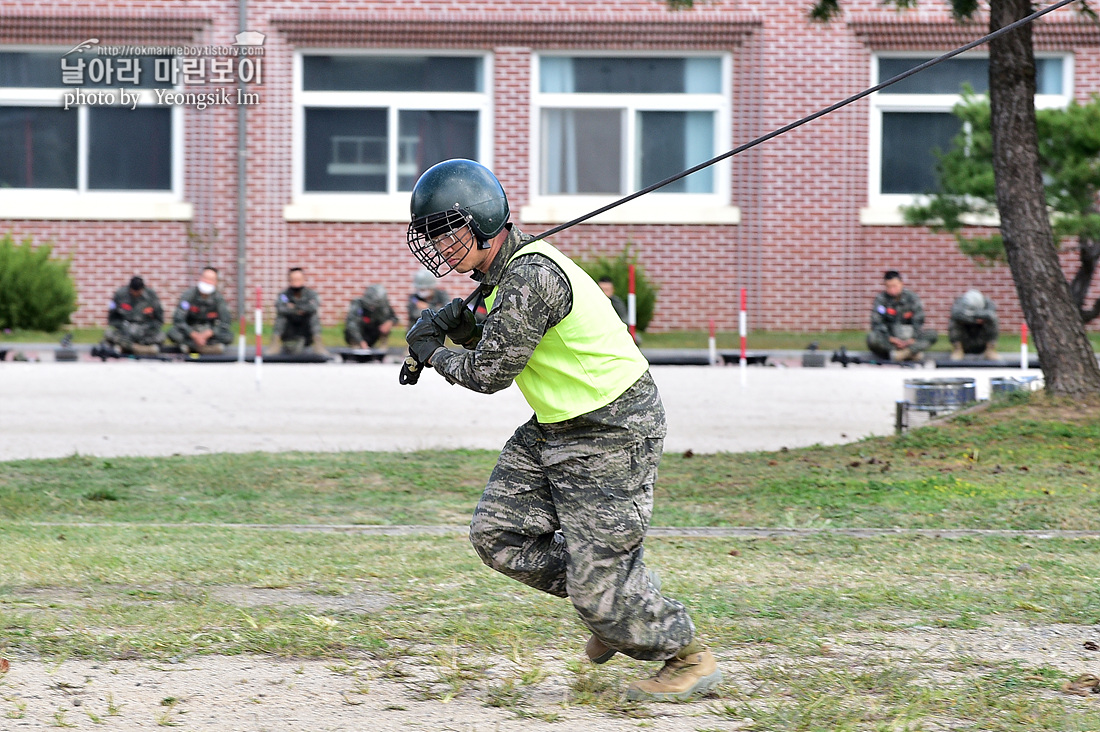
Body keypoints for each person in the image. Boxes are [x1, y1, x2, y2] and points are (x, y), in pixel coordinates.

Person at [402, 159, 720, 702]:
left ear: (482, 222)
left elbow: (489, 373)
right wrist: (468, 322)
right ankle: (613, 606)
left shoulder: (529, 276)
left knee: (602, 592)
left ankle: (684, 653)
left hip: (613, 428)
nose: (442, 246)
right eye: (431, 235)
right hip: (555, 425)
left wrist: (435, 353)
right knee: (496, 535)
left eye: (449, 230)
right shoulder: (503, 277)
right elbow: (509, 333)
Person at [867, 270, 937, 362]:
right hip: (890, 341)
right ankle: (911, 354)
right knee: (872, 338)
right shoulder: (881, 300)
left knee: (932, 334)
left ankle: (904, 354)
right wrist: (891, 339)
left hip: (910, 340)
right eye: (889, 287)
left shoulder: (912, 298)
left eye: (895, 286)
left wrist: (912, 339)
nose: (892, 290)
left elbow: (919, 320)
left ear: (901, 283)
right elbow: (877, 322)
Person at [167, 266, 233, 355]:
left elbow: (225, 322)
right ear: (200, 278)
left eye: (211, 279)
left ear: (216, 282)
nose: (207, 282)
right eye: (205, 278)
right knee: (173, 333)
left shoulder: (218, 299)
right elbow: (178, 319)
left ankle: (191, 348)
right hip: (190, 331)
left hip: (209, 332)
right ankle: (207, 349)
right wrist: (193, 334)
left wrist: (208, 334)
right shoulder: (189, 295)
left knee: (228, 336)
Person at [102, 276, 165, 356]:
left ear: (143, 289)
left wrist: (148, 329)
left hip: (145, 330)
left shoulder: (152, 296)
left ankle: (125, 348)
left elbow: (159, 319)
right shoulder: (120, 294)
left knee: (161, 336)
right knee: (108, 333)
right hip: (125, 331)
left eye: (138, 292)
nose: (135, 294)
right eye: (133, 292)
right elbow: (112, 318)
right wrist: (123, 327)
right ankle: (143, 349)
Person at [273, 267, 324, 355]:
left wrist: (294, 307)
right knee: (281, 317)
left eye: (298, 279)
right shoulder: (284, 295)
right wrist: (298, 310)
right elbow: (281, 308)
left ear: (303, 279)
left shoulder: (311, 294)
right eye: (293, 280)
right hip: (289, 329)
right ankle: (274, 344)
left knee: (313, 315)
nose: (296, 282)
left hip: (306, 328)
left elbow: (314, 307)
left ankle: (318, 344)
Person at [949, 289, 999, 360]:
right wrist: (975, 320)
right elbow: (955, 314)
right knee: (955, 321)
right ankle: (958, 350)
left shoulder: (988, 303)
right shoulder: (959, 302)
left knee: (993, 320)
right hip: (965, 339)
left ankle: (990, 350)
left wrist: (970, 315)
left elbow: (991, 315)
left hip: (981, 339)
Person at [344, 284, 398, 349]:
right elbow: (351, 324)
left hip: (373, 333)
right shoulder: (358, 304)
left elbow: (395, 318)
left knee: (386, 324)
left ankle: (382, 349)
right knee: (352, 329)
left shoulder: (383, 306)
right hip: (360, 334)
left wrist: (389, 322)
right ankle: (356, 347)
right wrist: (361, 341)